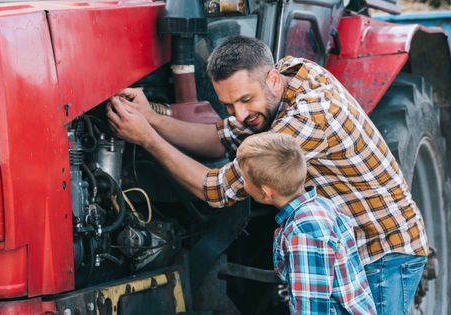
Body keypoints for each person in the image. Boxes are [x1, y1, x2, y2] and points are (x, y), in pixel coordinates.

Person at [107, 35, 428, 314]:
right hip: (346, 246)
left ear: (273, 80)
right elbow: (221, 137)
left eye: (246, 101)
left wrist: (146, 138)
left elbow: (216, 190)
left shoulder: (308, 117)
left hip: (382, 250)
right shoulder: (287, 79)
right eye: (230, 105)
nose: (241, 115)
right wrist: (150, 117)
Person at [236, 132, 376, 314]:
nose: (243, 185)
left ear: (265, 193)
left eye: (245, 180)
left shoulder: (303, 231)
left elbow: (312, 306)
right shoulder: (321, 204)